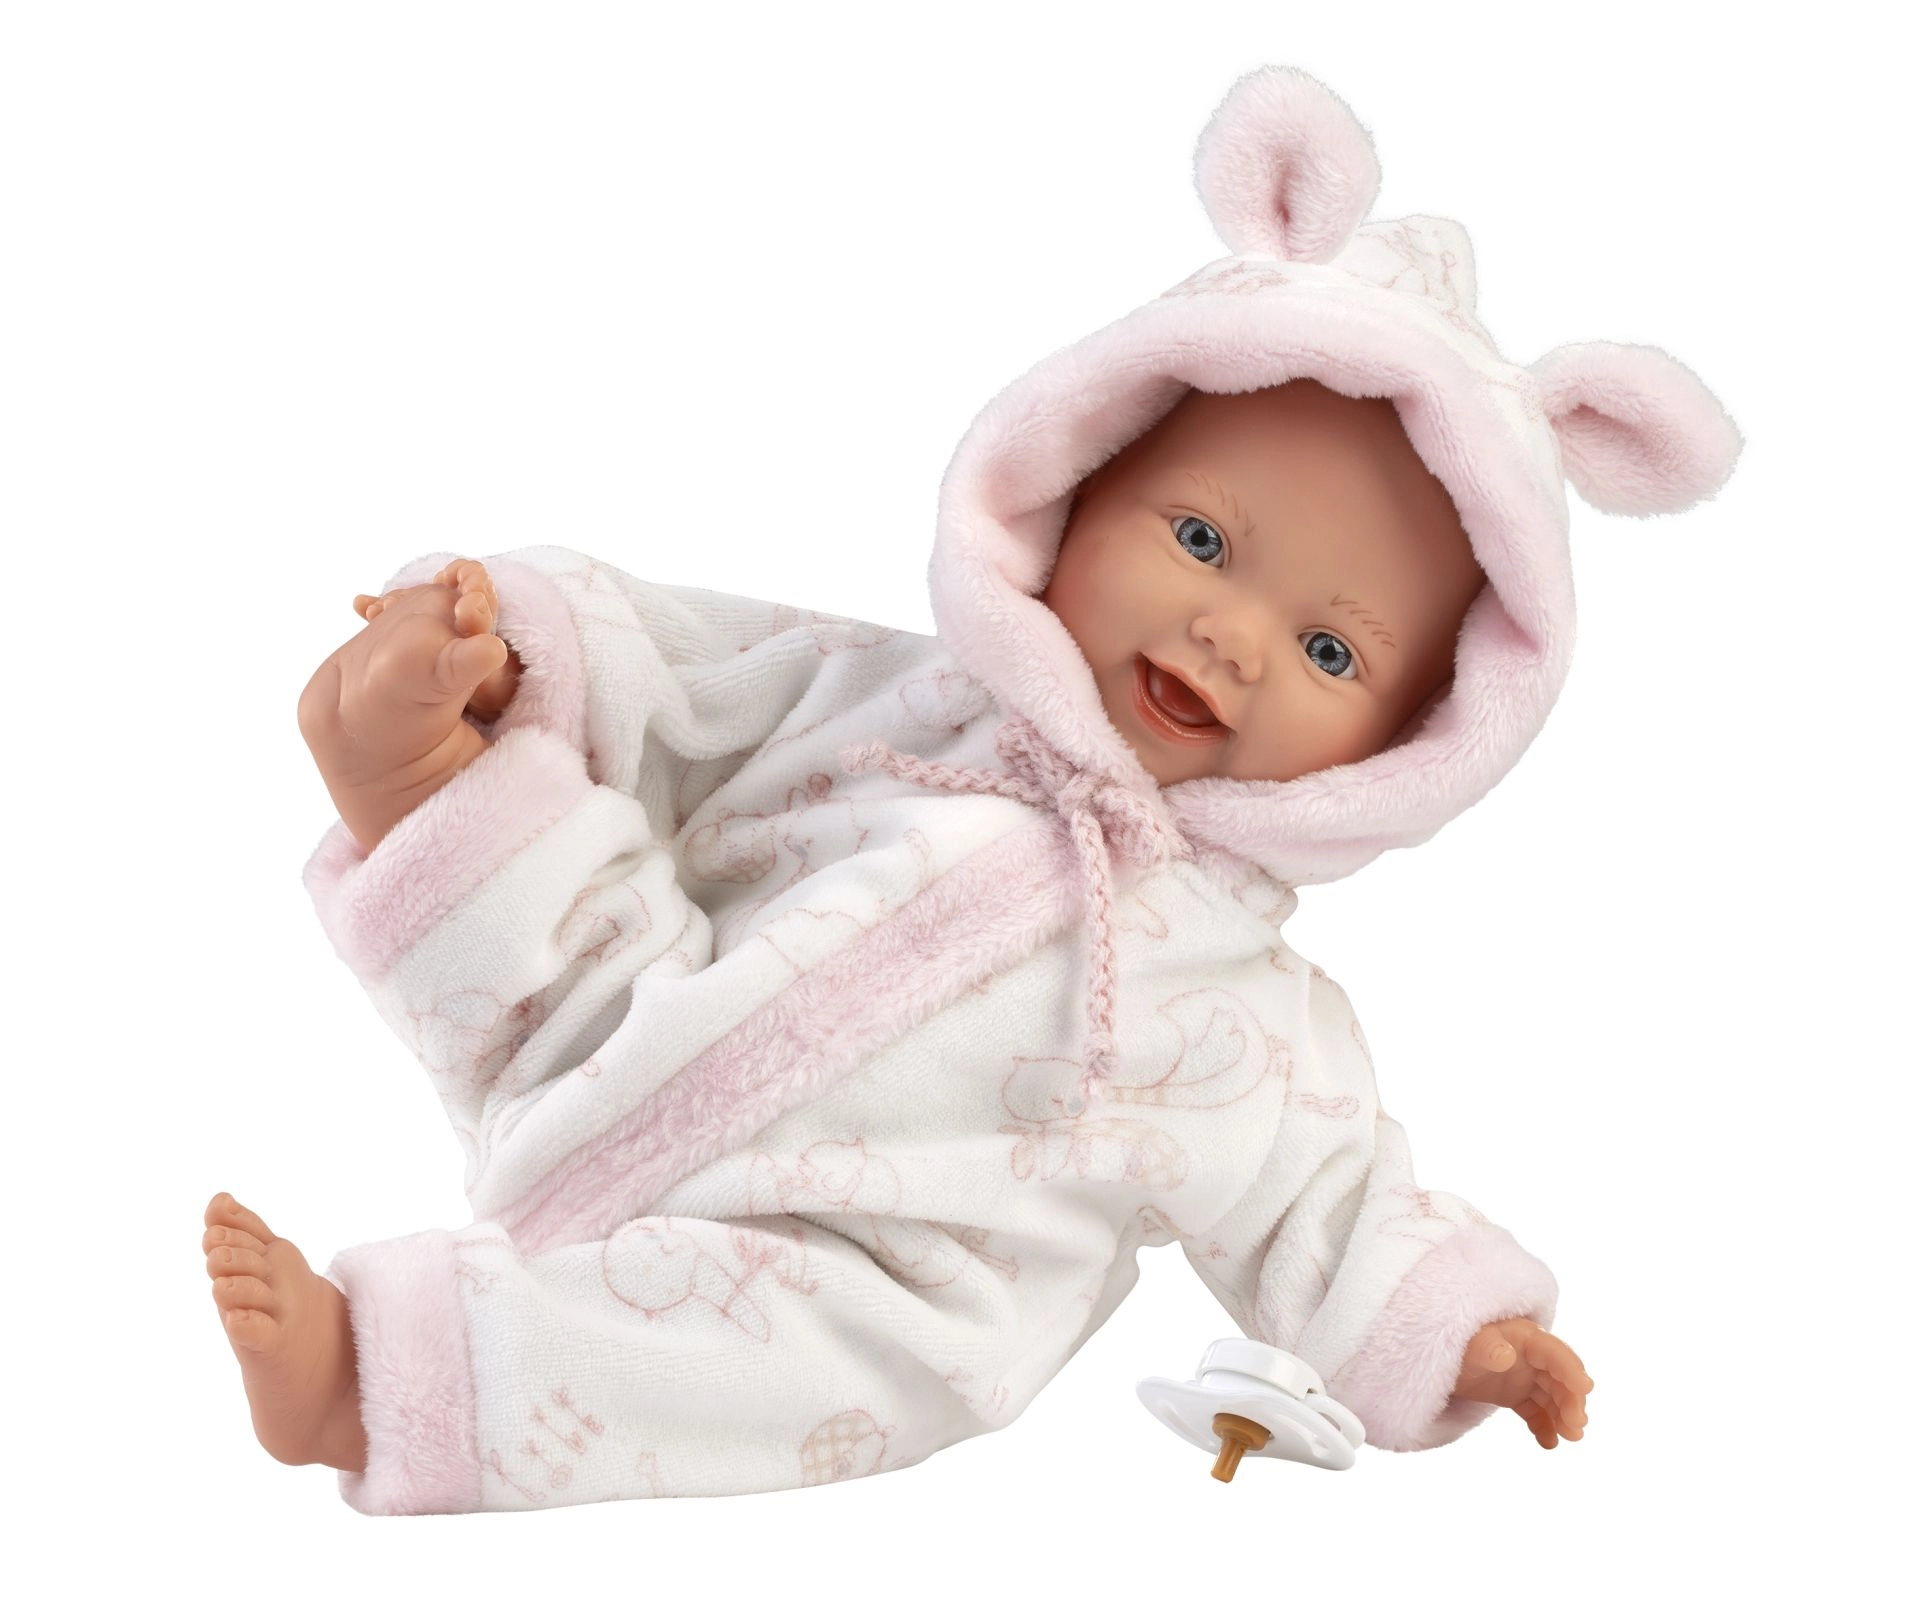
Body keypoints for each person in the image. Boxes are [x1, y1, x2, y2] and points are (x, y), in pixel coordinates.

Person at [202, 65, 1738, 1513]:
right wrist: (526, 650)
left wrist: (1461, 1336)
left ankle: (372, 1383)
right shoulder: (896, 696)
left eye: (1331, 649)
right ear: (1079, 483)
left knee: (848, 1368)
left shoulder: (1257, 1026)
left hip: (856, 1270)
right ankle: (413, 764)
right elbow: (683, 666)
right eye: (1202, 540)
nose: (1232, 635)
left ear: (1411, 741)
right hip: (608, 1025)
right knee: (558, 856)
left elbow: (1331, 1206)